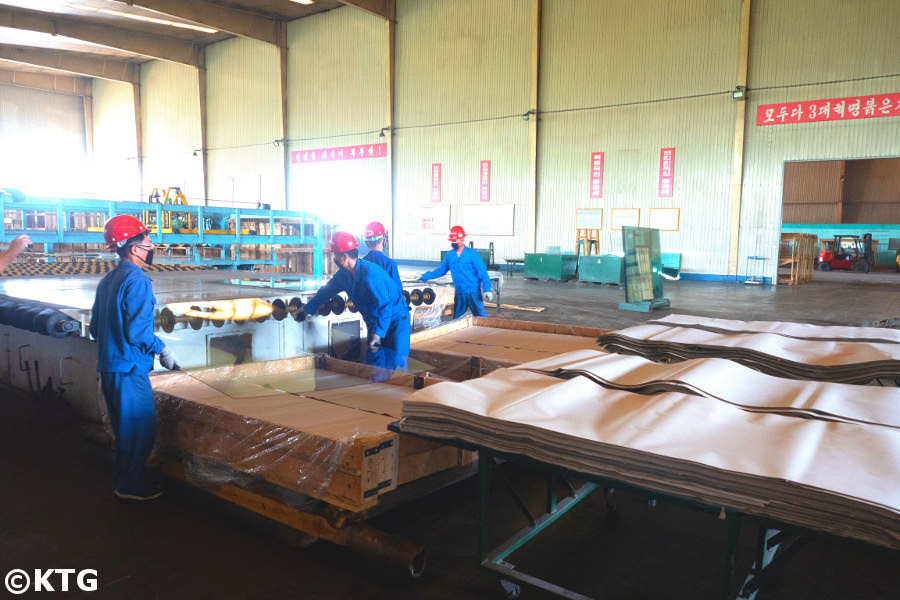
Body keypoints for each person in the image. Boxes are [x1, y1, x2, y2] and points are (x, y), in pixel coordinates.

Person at [89, 215, 180, 501]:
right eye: (146, 241)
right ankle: (130, 485)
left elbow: (94, 328)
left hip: (109, 367)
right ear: (132, 247)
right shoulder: (137, 280)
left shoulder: (108, 280)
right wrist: (161, 348)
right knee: (139, 428)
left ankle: (125, 478)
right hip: (129, 369)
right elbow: (138, 331)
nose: (151, 246)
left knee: (123, 429)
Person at [297, 231, 410, 370]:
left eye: (335, 255)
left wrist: (378, 333)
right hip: (374, 322)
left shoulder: (371, 275)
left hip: (396, 321)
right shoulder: (343, 275)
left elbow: (385, 306)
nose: (334, 258)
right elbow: (326, 292)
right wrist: (307, 309)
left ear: (344, 256)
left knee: (396, 366)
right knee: (375, 367)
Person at [420, 225, 493, 318]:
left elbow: (483, 273)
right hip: (459, 293)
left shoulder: (473, 254)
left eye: (455, 241)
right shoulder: (449, 255)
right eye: (452, 241)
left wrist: (487, 289)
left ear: (462, 239)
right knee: (457, 321)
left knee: (482, 320)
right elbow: (441, 271)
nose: (453, 243)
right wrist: (424, 276)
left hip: (473, 293)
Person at [361, 221, 403, 295]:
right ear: (384, 241)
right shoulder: (389, 264)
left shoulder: (360, 264)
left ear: (366, 243)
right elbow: (397, 293)